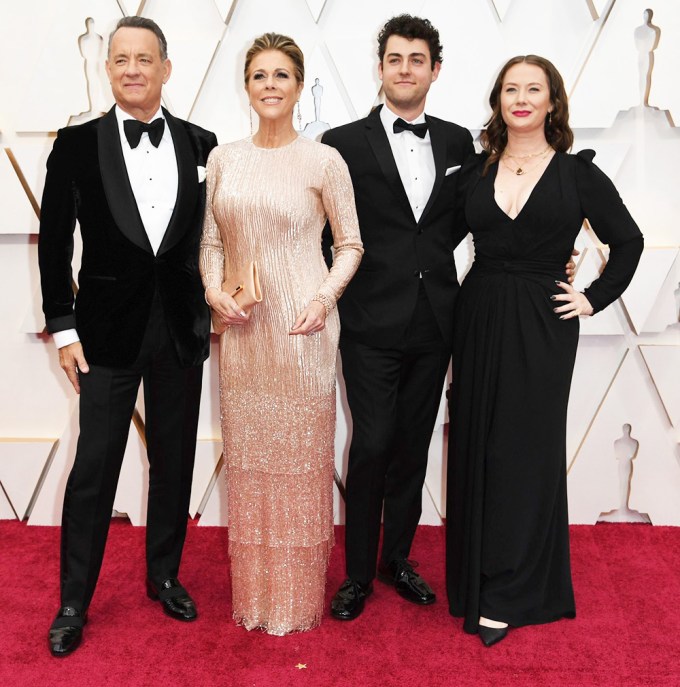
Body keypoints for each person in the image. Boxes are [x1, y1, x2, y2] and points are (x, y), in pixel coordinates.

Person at [445, 55, 643, 647]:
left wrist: (592, 298)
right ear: (498, 100)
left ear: (553, 102)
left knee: (523, 451)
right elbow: (427, 243)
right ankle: (477, 576)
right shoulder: (474, 174)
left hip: (542, 323)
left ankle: (512, 588)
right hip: (477, 316)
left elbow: (627, 241)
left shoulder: (578, 175)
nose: (522, 98)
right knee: (479, 443)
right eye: (511, 88)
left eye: (535, 89)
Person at [38, 16, 217, 657]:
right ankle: (73, 602)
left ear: (167, 69)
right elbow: (55, 246)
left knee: (173, 463)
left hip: (180, 330)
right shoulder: (75, 145)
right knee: (93, 471)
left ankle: (164, 574)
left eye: (145, 58)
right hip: (102, 335)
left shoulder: (203, 144)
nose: (132, 69)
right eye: (120, 60)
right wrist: (62, 328)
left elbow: (211, 242)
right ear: (107, 70)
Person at [199, 32, 363, 635]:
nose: (270, 85)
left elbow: (349, 244)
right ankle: (256, 594)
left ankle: (295, 599)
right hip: (242, 329)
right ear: (246, 87)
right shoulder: (224, 159)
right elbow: (211, 242)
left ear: (298, 86)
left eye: (282, 76)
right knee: (249, 459)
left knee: (299, 460)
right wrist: (214, 292)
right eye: (260, 75)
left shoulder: (324, 160)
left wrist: (324, 300)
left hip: (302, 328)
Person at [321, 15, 475, 620]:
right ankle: (358, 572)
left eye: (417, 59)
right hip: (369, 321)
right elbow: (324, 229)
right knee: (373, 443)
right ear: (380, 68)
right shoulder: (341, 142)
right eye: (395, 58)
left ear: (435, 69)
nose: (405, 69)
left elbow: (474, 219)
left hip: (437, 319)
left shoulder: (462, 143)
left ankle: (397, 559)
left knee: (412, 445)